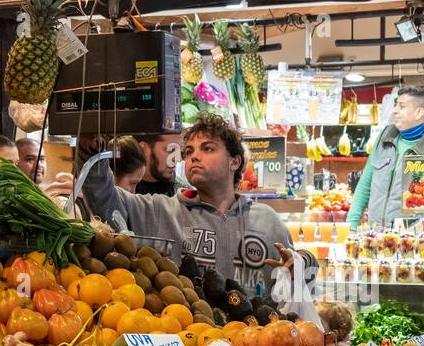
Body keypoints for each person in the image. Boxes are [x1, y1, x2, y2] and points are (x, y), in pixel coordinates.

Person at [80, 113, 312, 297]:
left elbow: (302, 281)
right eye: (189, 151)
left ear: (235, 161)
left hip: (256, 344)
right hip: (188, 340)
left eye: (208, 148)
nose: (194, 157)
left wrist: (302, 263)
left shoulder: (267, 220)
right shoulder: (163, 211)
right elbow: (105, 201)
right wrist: (90, 149)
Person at [345, 87, 424, 228]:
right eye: (395, 104)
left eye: (401, 106)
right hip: (374, 236)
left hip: (411, 241)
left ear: (419, 112)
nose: (395, 110)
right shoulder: (384, 139)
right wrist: (350, 227)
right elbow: (365, 185)